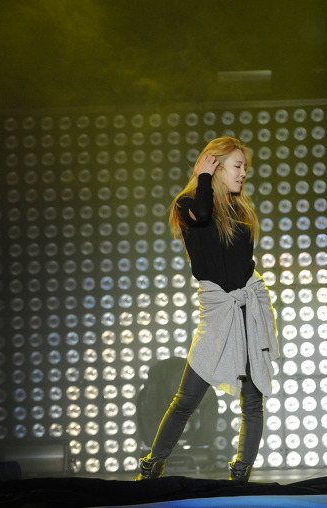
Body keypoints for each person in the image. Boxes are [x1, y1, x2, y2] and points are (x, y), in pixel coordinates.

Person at [135, 137, 279, 482]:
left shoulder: (241, 211)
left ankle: (241, 471)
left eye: (245, 167)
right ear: (214, 166)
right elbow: (201, 215)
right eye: (237, 166)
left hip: (246, 308)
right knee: (187, 398)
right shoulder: (188, 204)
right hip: (217, 312)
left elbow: (242, 262)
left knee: (253, 400)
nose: (243, 173)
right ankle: (153, 464)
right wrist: (202, 177)